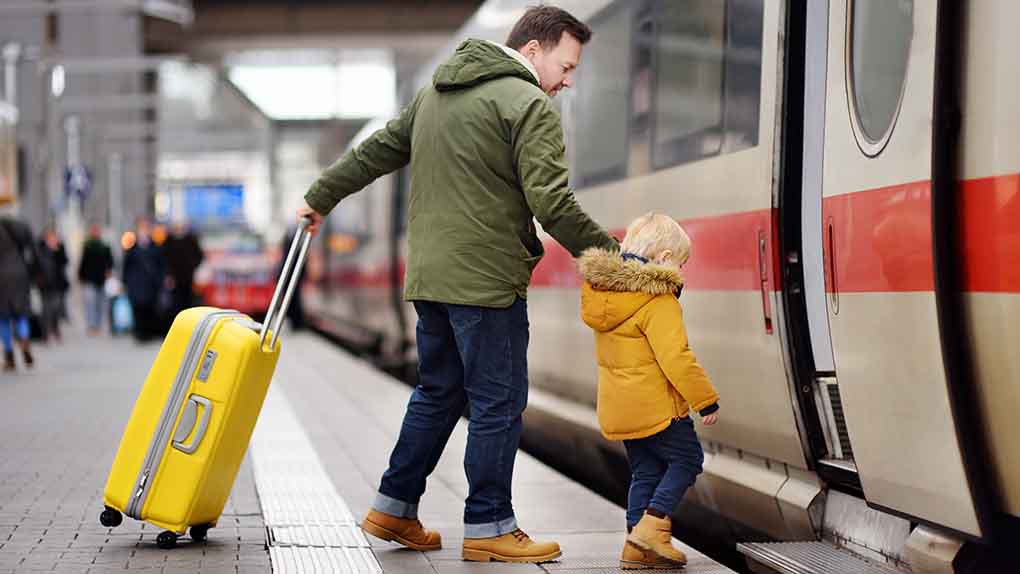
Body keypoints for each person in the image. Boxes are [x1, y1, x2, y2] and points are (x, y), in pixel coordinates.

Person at [298, 6, 617, 563]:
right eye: (566, 66)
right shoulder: (527, 105)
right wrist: (616, 260)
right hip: (487, 281)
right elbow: (552, 203)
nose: (568, 80)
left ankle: (394, 507)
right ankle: (490, 523)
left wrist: (320, 196)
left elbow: (376, 152)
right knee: (498, 401)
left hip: (430, 280)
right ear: (534, 50)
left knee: (438, 390)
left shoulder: (433, 97)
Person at [577, 213, 720, 569]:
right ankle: (653, 529)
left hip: (622, 408)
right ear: (665, 259)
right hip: (658, 409)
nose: (683, 272)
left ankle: (635, 550)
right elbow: (676, 358)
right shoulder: (658, 301)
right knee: (688, 460)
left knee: (645, 472)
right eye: (683, 263)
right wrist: (705, 400)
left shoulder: (606, 296)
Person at [0, 205, 37, 372]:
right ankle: (24, 339)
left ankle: (9, 354)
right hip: (21, 274)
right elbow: (33, 252)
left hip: (1, 277)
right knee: (22, 313)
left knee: (3, 318)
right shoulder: (22, 227)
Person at [122, 218, 166, 342]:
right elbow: (126, 265)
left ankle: (148, 333)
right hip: (136, 283)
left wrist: (161, 280)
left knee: (150, 308)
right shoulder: (132, 247)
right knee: (137, 308)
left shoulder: (155, 246)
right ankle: (139, 333)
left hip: (151, 284)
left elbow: (161, 265)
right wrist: (125, 282)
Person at [78, 223, 115, 334]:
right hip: (89, 279)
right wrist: (81, 276)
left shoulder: (105, 246)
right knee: (90, 302)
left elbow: (110, 262)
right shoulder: (87, 246)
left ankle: (98, 325)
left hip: (102, 279)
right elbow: (83, 263)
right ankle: (91, 325)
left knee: (100, 303)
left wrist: (108, 272)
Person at [163, 221, 204, 316]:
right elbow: (163, 259)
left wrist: (192, 266)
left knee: (188, 301)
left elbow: (199, 256)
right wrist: (167, 274)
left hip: (188, 277)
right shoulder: (169, 241)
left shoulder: (190, 240)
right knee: (175, 303)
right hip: (174, 279)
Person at [36, 225, 70, 342]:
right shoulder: (40, 247)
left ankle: (54, 328)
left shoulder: (59, 247)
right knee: (46, 308)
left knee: (55, 307)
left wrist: (57, 250)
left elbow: (65, 261)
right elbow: (35, 264)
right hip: (44, 283)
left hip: (57, 283)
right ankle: (45, 333)